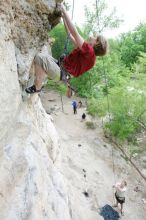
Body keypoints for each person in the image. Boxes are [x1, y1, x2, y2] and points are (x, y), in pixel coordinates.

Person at [25, 4, 108, 94]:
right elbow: (69, 33)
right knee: (42, 56)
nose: (92, 36)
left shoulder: (90, 51)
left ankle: (37, 87)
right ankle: (42, 78)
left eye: (95, 37)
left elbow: (74, 32)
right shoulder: (89, 55)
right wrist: (63, 17)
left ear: (97, 43)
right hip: (62, 72)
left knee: (40, 57)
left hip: (61, 73)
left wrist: (64, 10)